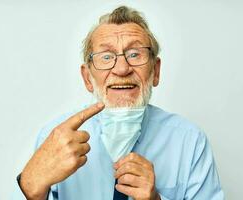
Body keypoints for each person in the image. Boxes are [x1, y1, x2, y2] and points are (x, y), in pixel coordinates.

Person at [13, 6, 224, 200]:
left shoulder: (190, 141)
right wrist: (31, 187)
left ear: (156, 71)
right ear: (88, 78)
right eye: (106, 57)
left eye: (135, 54)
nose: (122, 69)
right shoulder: (56, 139)